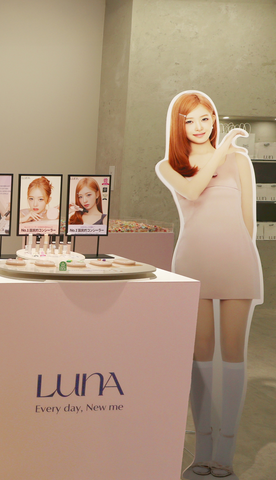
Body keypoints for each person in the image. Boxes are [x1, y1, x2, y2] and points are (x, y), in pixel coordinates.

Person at [155, 91, 262, 480]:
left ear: (213, 120)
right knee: (200, 355)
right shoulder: (169, 166)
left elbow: (248, 221)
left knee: (234, 354)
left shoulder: (241, 161)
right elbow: (193, 189)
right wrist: (222, 151)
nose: (199, 127)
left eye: (205, 118)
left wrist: (242, 253)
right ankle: (202, 449)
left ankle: (225, 452)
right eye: (190, 121)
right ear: (179, 126)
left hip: (236, 262)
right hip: (194, 263)